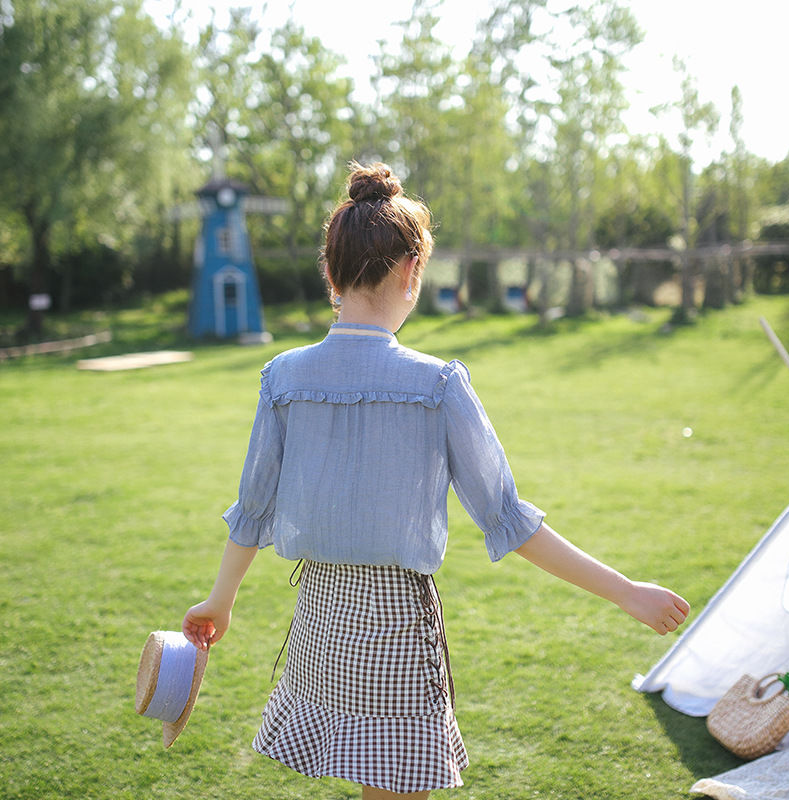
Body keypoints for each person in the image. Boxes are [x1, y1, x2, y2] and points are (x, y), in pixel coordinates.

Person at [182, 162, 690, 800]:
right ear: (410, 273)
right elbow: (507, 520)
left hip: (320, 619)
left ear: (330, 276)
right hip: (396, 623)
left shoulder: (283, 376)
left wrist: (220, 600)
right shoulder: (437, 384)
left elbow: (252, 510)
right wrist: (625, 591)